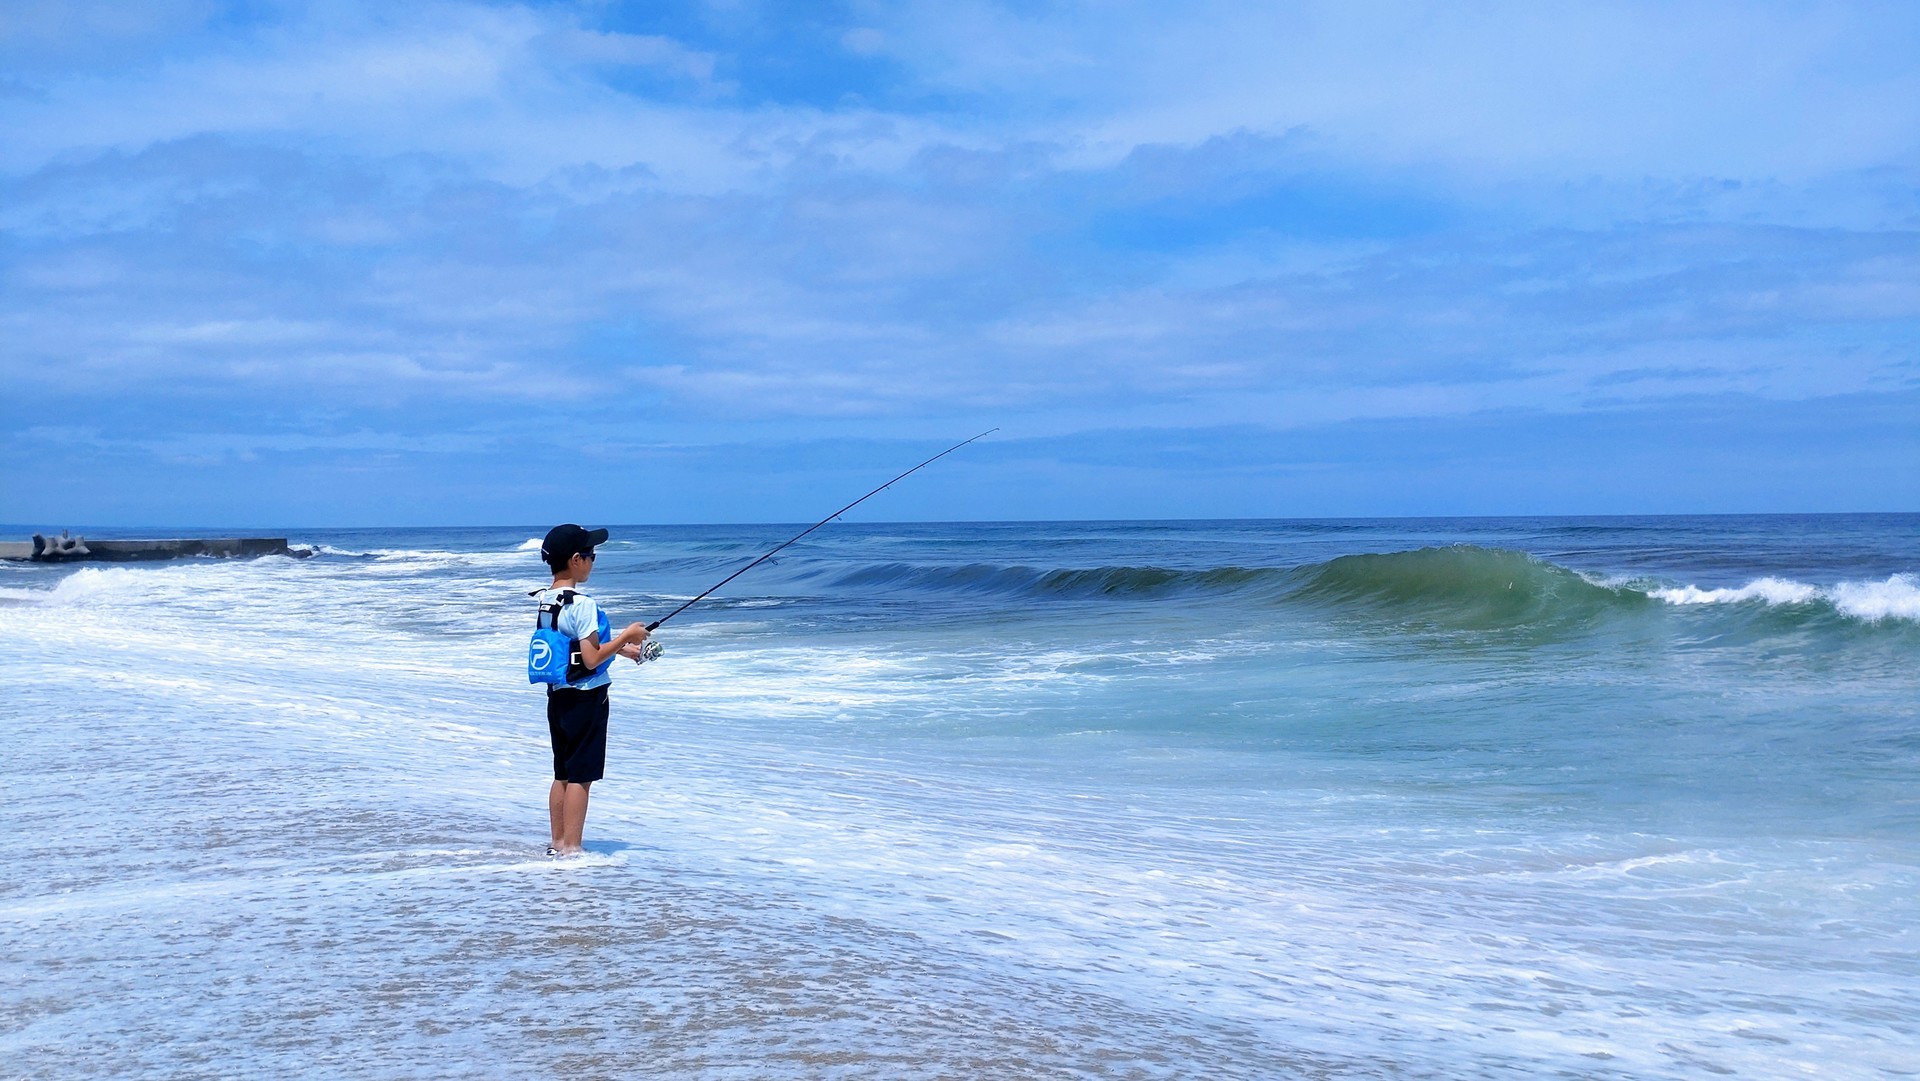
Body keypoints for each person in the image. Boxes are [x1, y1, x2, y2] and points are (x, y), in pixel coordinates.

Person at [536, 523, 651, 857]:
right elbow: (590, 659)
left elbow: (569, 648)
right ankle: (572, 848)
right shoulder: (583, 603)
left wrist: (621, 650)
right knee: (581, 776)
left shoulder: (546, 600)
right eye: (590, 554)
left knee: (562, 772)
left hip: (558, 695)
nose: (593, 559)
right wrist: (627, 636)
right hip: (587, 697)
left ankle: (557, 842)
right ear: (575, 560)